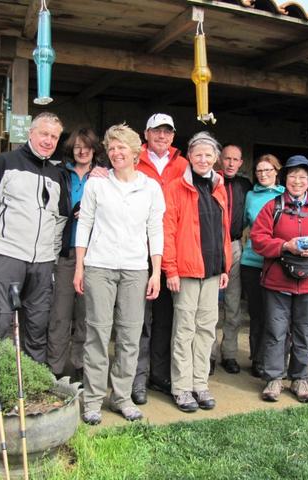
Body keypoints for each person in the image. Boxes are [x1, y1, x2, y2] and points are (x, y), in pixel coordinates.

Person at [73, 123, 165, 425]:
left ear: (135, 152)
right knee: (97, 333)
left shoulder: (150, 186)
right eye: (111, 148)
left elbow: (155, 229)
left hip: (136, 269)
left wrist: (156, 271)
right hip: (99, 266)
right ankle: (93, 400)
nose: (115, 152)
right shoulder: (97, 184)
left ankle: (122, 397)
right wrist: (79, 266)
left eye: (121, 147)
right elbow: (84, 224)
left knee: (130, 335)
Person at [0, 112, 70, 363]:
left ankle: (31, 382)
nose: (49, 140)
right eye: (44, 134)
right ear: (31, 133)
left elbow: (59, 220)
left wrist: (52, 255)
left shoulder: (57, 175)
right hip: (8, 255)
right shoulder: (4, 162)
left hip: (43, 261)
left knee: (37, 326)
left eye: (54, 137)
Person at [251, 155, 308, 403]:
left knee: (304, 332)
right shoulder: (273, 207)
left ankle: (300, 378)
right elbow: (258, 239)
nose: (297, 181)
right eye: (292, 175)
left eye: (303, 176)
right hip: (277, 282)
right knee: (275, 332)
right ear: (285, 178)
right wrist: (285, 246)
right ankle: (274, 379)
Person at [163, 131, 232, 413]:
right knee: (184, 331)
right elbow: (166, 231)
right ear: (189, 157)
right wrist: (170, 269)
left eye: (208, 155)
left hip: (213, 271)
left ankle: (200, 384)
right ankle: (181, 387)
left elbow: (224, 230)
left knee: (206, 330)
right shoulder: (176, 188)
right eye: (197, 154)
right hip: (187, 271)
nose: (203, 159)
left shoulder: (219, 187)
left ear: (215, 159)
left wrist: (225, 266)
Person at [130, 113, 188, 406]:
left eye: (167, 132)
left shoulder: (183, 164)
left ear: (173, 137)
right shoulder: (133, 160)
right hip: (139, 248)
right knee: (139, 319)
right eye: (156, 131)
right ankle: (137, 379)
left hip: (170, 250)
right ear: (146, 133)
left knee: (165, 319)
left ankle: (160, 376)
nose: (162, 136)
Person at [47, 127, 102, 382]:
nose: (82, 151)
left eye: (87, 147)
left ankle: (80, 364)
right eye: (78, 146)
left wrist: (93, 213)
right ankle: (55, 368)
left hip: (94, 255)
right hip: (64, 253)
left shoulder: (102, 177)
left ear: (94, 150)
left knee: (86, 315)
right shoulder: (59, 173)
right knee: (60, 314)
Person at [239, 154, 284, 378]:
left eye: (268, 170)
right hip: (252, 262)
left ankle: (274, 359)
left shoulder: (285, 195)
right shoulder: (250, 195)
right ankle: (257, 359)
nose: (263, 174)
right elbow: (245, 225)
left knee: (275, 314)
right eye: (259, 171)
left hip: (277, 262)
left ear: (277, 171)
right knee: (256, 313)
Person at [210, 144, 251, 375]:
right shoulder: (210, 180)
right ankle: (209, 355)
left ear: (241, 162)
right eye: (227, 158)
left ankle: (230, 353)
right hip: (211, 247)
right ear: (220, 159)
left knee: (233, 304)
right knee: (210, 306)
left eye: (236, 159)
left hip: (234, 245)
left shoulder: (246, 186)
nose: (231, 163)